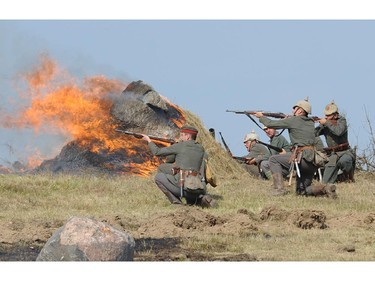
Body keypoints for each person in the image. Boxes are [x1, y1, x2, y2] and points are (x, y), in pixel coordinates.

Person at [251, 98, 336, 198]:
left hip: (301, 158)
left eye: (294, 108)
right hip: (313, 161)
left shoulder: (293, 120)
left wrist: (261, 117)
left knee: (273, 159)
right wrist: (287, 120)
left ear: (300, 110)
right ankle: (325, 189)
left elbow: (271, 124)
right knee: (301, 192)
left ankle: (279, 189)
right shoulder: (310, 122)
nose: (292, 110)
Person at [141, 125, 215, 207]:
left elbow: (157, 152)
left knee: (158, 177)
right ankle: (199, 200)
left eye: (182, 135)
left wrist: (148, 140)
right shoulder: (201, 148)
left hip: (182, 188)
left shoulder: (180, 146)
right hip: (199, 188)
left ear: (187, 137)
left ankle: (176, 202)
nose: (180, 137)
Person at [315, 101, 356, 184]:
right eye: (326, 115)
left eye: (329, 115)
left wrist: (326, 123)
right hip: (332, 154)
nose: (326, 117)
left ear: (335, 114)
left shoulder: (342, 120)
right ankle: (340, 178)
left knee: (345, 161)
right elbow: (314, 134)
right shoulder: (326, 123)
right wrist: (311, 124)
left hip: (345, 152)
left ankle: (348, 176)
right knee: (326, 182)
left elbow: (339, 131)